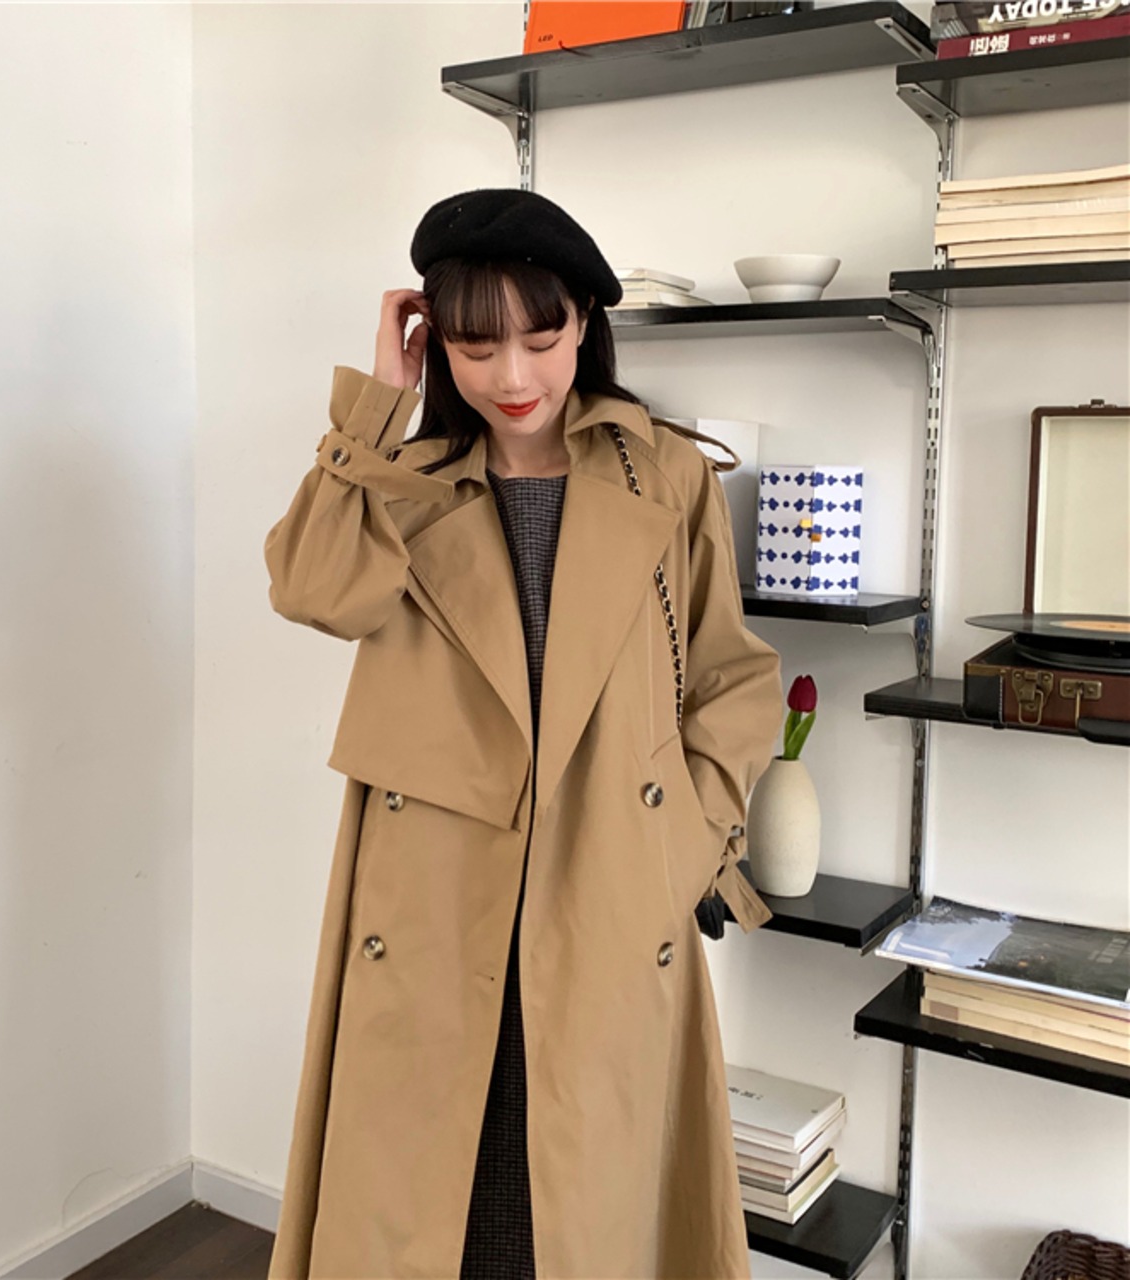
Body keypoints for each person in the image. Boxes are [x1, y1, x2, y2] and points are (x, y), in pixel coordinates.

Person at [263, 188, 784, 1280]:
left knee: (584, 1219)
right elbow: (311, 591)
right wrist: (374, 409)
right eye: (473, 345)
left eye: (540, 339)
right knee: (437, 1220)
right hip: (435, 906)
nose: (511, 376)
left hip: (606, 890)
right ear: (432, 341)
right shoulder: (397, 485)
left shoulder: (663, 472)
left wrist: (685, 838)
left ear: (585, 322)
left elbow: (730, 675)